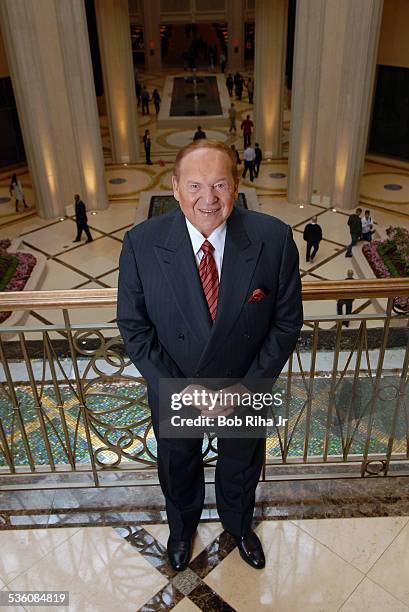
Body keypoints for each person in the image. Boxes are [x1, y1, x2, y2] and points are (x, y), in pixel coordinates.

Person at [117, 139, 303, 573]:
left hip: (245, 385)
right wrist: (183, 389)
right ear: (176, 188)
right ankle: (181, 530)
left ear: (235, 187)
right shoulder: (141, 243)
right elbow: (134, 327)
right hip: (178, 385)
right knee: (178, 467)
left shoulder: (272, 238)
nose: (208, 198)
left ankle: (239, 527)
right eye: (196, 185)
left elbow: (285, 323)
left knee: (241, 465)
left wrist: (245, 387)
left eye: (220, 184)